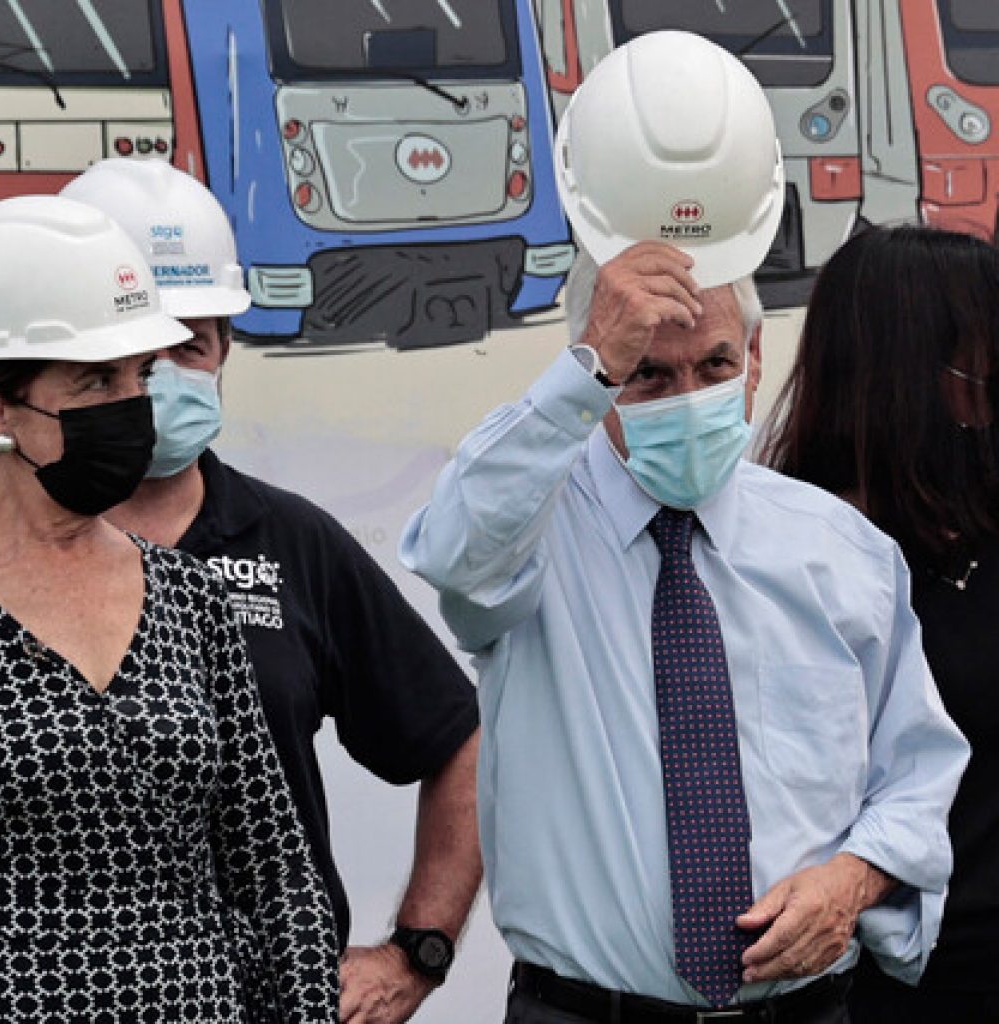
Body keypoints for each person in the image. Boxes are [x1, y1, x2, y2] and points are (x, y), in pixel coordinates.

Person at [400, 31, 969, 1024]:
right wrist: (587, 365)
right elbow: (453, 551)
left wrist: (855, 879)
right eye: (645, 376)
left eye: (711, 365)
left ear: (754, 362)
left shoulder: (841, 553)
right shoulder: (531, 532)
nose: (687, 395)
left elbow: (916, 769)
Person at [58, 158, 482, 1024]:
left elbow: (457, 739)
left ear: (224, 353)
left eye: (193, 343)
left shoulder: (295, 544)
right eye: (140, 347)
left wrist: (418, 951)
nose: (164, 373)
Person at [0, 194, 338, 1023]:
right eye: (94, 380)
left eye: (136, 376)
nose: (133, 404)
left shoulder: (188, 597)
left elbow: (273, 873)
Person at [760, 223, 999, 1021]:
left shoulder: (980, 533)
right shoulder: (784, 562)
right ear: (909, 369)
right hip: (877, 984)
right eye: (981, 353)